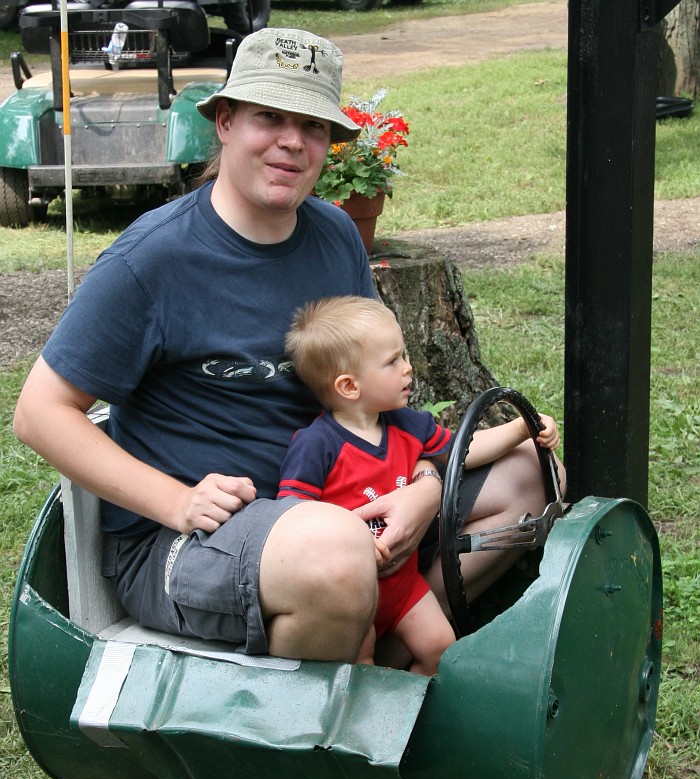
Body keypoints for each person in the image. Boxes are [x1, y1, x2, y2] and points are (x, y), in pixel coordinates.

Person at [13, 26, 560, 667]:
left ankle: (383, 654)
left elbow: (373, 391)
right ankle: (302, 724)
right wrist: (176, 500)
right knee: (334, 554)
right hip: (188, 541)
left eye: (313, 126)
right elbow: (39, 413)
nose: (291, 142)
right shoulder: (151, 261)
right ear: (223, 122)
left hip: (342, 498)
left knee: (533, 476)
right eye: (268, 117)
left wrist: (423, 483)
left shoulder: (333, 235)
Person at [278, 296, 562, 674]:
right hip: (354, 595)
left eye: (404, 356)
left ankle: (409, 716)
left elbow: (463, 451)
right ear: (349, 386)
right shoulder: (317, 446)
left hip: (403, 587)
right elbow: (292, 517)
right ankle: (374, 727)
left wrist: (520, 429)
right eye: (392, 361)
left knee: (440, 649)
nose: (408, 368)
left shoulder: (406, 424)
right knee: (362, 667)